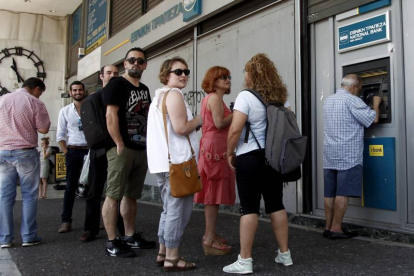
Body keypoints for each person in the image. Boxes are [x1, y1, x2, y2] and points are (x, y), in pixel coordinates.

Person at [224, 54, 293, 274]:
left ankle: (245, 261)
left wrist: (229, 152)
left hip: (250, 158)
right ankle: (285, 254)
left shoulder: (245, 96)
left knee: (249, 208)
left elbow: (235, 129)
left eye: (245, 71)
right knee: (276, 205)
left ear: (251, 74)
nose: (243, 75)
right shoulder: (280, 98)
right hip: (273, 159)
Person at [147, 57, 202, 271]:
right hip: (178, 164)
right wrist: (199, 120)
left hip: (163, 163)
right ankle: (172, 257)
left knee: (168, 209)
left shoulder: (159, 96)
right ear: (166, 74)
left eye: (186, 71)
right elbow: (181, 128)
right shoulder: (174, 94)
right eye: (178, 72)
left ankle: (163, 252)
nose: (184, 75)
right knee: (178, 211)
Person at [102, 47, 156, 257]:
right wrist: (118, 143)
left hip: (140, 148)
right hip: (121, 148)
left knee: (131, 195)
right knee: (113, 195)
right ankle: (112, 241)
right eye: (131, 60)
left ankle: (130, 236)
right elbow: (110, 115)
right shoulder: (116, 84)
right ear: (125, 64)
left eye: (140, 61)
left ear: (145, 65)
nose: (136, 63)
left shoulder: (143, 88)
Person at [323, 74, 381, 239]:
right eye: (360, 89)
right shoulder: (353, 101)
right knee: (342, 193)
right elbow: (373, 119)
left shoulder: (329, 100)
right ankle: (336, 228)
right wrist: (376, 103)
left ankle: (327, 227)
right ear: (354, 87)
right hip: (347, 155)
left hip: (330, 154)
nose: (359, 92)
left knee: (330, 193)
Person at [0, 77, 51, 248]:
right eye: (40, 93)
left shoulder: (2, 100)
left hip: (3, 152)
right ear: (36, 88)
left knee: (5, 197)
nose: (40, 96)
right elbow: (43, 129)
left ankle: (5, 239)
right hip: (25, 152)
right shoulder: (34, 102)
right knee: (29, 195)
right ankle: (28, 236)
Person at [80, 64, 126, 243]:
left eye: (116, 73)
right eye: (109, 73)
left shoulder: (122, 96)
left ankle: (123, 229)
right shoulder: (94, 99)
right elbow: (94, 128)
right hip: (100, 151)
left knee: (120, 191)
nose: (113, 75)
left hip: (120, 149)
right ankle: (90, 229)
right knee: (94, 191)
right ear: (101, 76)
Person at [194, 66, 235, 255]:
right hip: (215, 149)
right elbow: (219, 123)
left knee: (212, 194)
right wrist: (238, 113)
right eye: (222, 77)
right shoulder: (215, 98)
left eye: (228, 77)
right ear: (213, 80)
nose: (227, 80)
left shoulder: (209, 98)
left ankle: (210, 235)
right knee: (212, 194)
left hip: (211, 147)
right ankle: (209, 238)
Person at [57, 81, 89, 233]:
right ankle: (66, 221)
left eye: (80, 90)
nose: (77, 92)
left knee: (93, 188)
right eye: (75, 90)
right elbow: (60, 134)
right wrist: (66, 152)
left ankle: (91, 222)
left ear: (84, 91)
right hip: (73, 151)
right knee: (70, 187)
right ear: (70, 92)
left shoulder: (91, 108)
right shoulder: (65, 111)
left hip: (91, 151)